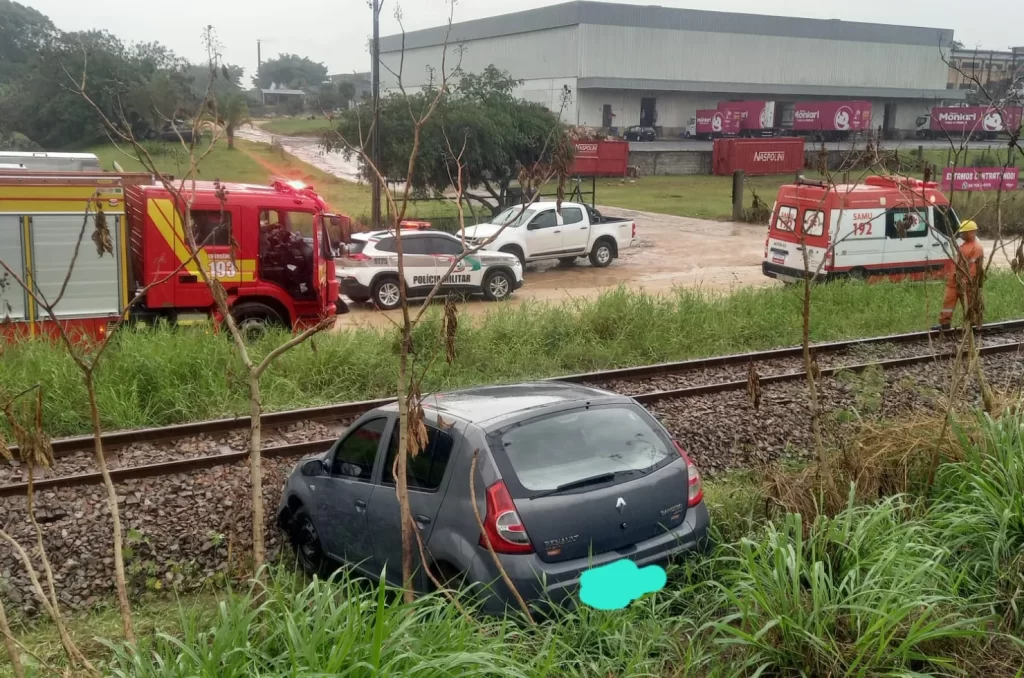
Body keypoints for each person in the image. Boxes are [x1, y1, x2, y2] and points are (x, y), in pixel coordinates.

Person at [937, 219, 983, 331]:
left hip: (966, 283)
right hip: (955, 281)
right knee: (948, 302)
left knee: (970, 304)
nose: (961, 234)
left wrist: (967, 281)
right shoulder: (964, 246)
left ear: (971, 232)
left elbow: (974, 269)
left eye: (963, 232)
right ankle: (945, 324)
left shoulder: (976, 248)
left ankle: (972, 324)